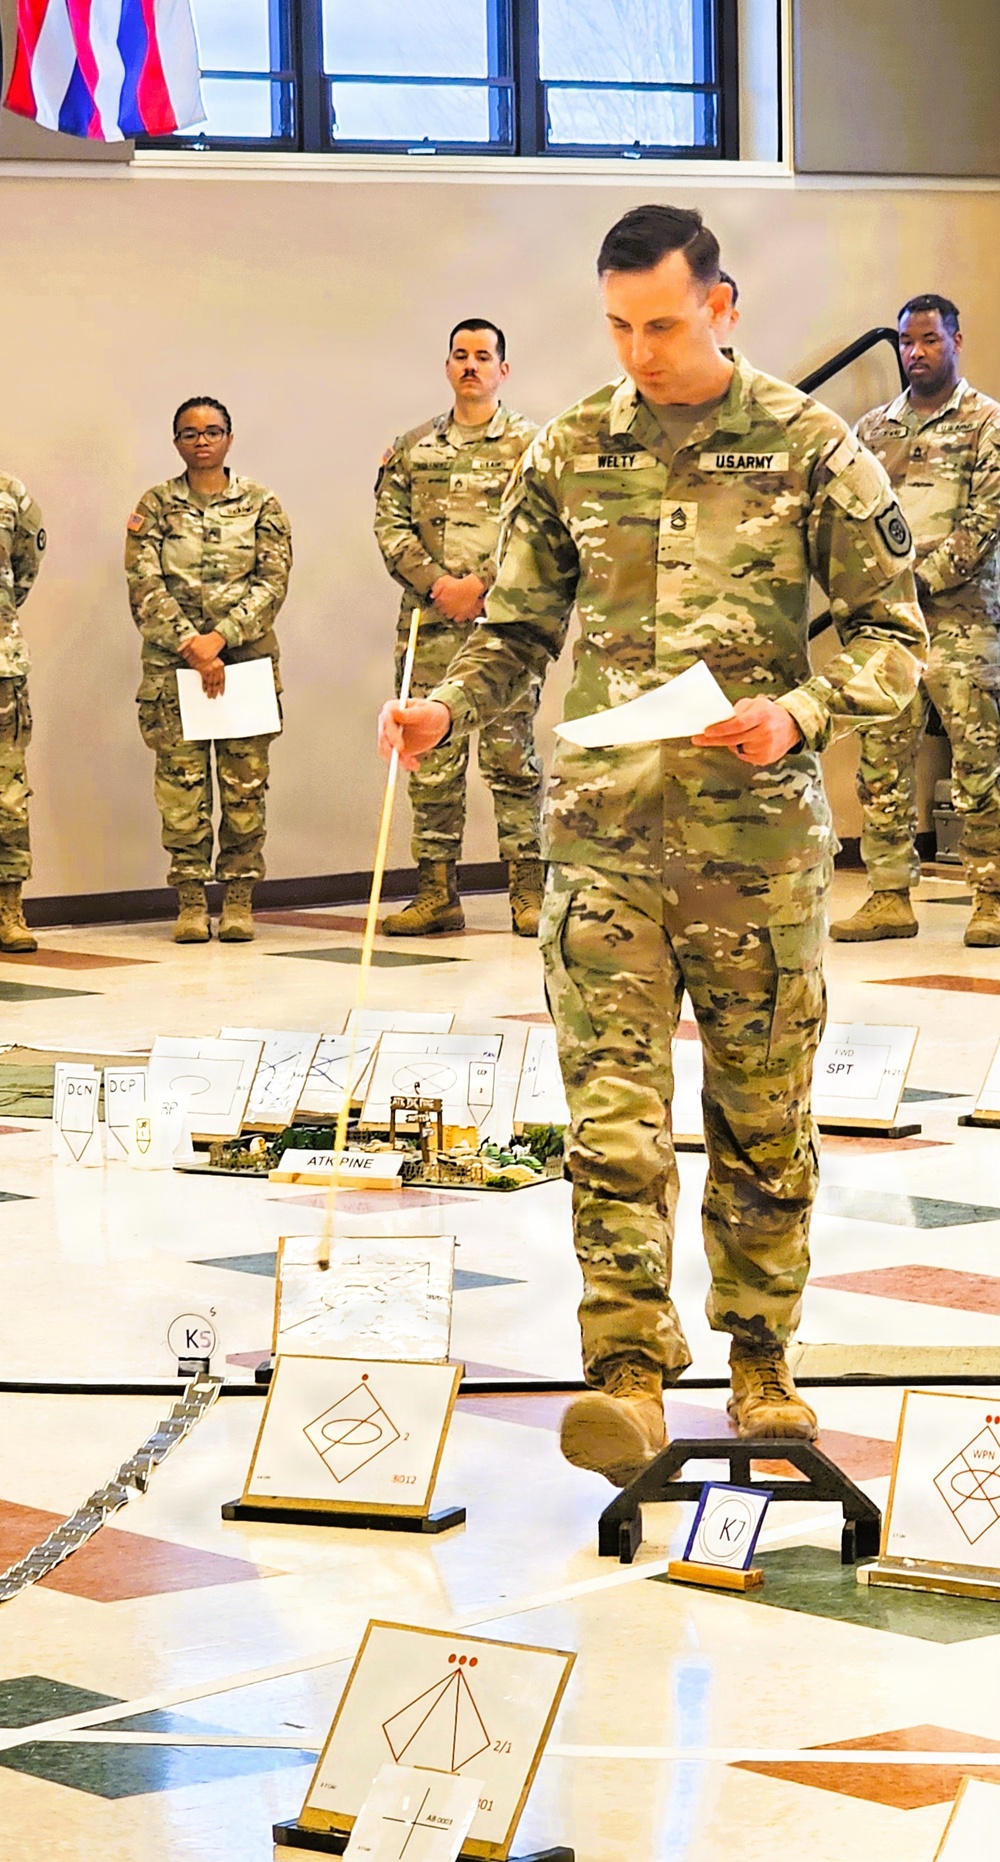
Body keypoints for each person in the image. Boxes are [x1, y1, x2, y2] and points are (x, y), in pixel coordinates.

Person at [378, 204, 926, 1486]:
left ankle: (760, 1352)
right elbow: (514, 627)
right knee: (611, 1122)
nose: (640, 351)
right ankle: (625, 1366)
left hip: (756, 855)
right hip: (606, 845)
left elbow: (890, 636)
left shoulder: (811, 447)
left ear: (723, 306)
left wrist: (795, 710)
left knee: (759, 1117)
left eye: (664, 325)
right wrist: (448, 703)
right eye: (619, 325)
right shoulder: (570, 445)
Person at [830, 295, 1000, 947]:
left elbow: (984, 523)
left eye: (929, 340)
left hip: (963, 625)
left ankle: (990, 895)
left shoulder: (988, 423)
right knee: (881, 761)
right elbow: (855, 516)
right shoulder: (874, 429)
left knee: (979, 763)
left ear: (956, 339)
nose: (915, 353)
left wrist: (915, 581)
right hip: (891, 630)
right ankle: (888, 893)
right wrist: (870, 591)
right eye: (906, 342)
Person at [374, 320, 544, 937]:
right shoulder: (414, 448)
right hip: (430, 625)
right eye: (460, 355)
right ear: (447, 366)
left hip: (505, 626)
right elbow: (389, 526)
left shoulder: (533, 446)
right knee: (431, 760)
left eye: (483, 356)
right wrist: (438, 585)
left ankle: (527, 891)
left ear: (504, 368)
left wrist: (483, 586)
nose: (470, 365)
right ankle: (436, 893)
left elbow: (539, 530)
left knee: (511, 760)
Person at [125, 398, 293, 943]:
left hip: (243, 666)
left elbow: (273, 582)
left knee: (245, 791)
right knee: (182, 792)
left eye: (213, 431)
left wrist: (220, 640)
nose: (202, 441)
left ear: (229, 438)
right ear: (176, 443)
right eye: (190, 433)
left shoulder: (262, 503)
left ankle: (239, 899)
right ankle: (192, 901)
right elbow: (144, 586)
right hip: (175, 672)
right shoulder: (154, 507)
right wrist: (192, 647)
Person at [0, 475, 45, 953]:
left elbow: (25, 568)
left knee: (7, 796)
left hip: (1, 669)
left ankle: (8, 912)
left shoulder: (11, 493)